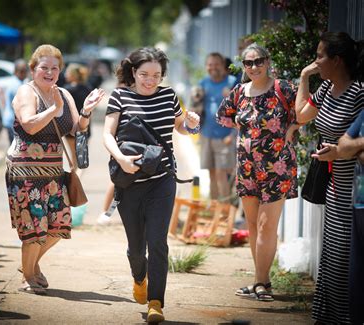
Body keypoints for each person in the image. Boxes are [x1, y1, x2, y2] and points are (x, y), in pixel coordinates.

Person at [103, 47, 200, 323]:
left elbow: (180, 126)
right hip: (130, 182)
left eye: (156, 75)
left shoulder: (169, 95)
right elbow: (107, 134)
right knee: (136, 248)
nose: (150, 80)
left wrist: (191, 124)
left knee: (158, 242)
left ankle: (156, 302)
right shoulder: (120, 96)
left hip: (162, 181)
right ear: (134, 72)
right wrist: (120, 158)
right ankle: (139, 277)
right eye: (144, 74)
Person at [5, 44, 104, 294]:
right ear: (33, 69)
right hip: (25, 172)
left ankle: (31, 265)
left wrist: (87, 110)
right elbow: (29, 125)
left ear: (60, 71)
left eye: (54, 68)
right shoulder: (26, 92)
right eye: (44, 67)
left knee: (59, 227)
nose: (49, 72)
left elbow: (76, 128)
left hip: (54, 173)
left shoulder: (64, 94)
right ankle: (28, 276)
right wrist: (52, 110)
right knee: (33, 227)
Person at [216, 43, 300, 302]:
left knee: (266, 226)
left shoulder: (283, 88)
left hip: (278, 167)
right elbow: (224, 117)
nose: (254, 67)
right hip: (247, 168)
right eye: (248, 63)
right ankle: (259, 280)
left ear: (268, 61)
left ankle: (261, 282)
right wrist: (247, 138)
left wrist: (291, 130)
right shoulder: (239, 92)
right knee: (252, 225)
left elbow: (306, 111)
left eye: (258, 61)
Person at [294, 32, 363, 324]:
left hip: (353, 185)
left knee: (347, 256)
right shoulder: (325, 89)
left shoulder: (359, 92)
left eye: (320, 56)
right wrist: (303, 77)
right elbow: (300, 116)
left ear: (336, 60)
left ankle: (348, 317)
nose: (316, 61)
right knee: (332, 253)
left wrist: (341, 151)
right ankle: (330, 316)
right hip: (333, 184)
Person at [335, 110, 364, 325]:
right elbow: (343, 146)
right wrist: (358, 148)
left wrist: (357, 147)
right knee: (357, 271)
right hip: (360, 203)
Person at [198, 52, 237, 202]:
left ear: (223, 66)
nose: (213, 68)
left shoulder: (232, 82)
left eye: (216, 64)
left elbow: (239, 109)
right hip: (206, 134)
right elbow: (196, 107)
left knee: (222, 173)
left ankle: (225, 212)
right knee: (212, 173)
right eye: (210, 65)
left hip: (225, 135)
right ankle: (214, 208)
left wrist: (233, 133)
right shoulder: (203, 83)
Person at [64, 63, 92, 170]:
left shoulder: (66, 90)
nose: (66, 74)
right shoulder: (87, 88)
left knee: (73, 155)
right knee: (82, 157)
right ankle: (76, 178)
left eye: (68, 72)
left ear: (73, 75)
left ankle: (73, 178)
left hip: (70, 126)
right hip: (85, 125)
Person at [2, 59, 28, 145]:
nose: (24, 73)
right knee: (16, 149)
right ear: (15, 71)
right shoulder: (17, 85)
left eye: (25, 71)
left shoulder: (16, 82)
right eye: (21, 71)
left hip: (10, 120)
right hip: (13, 121)